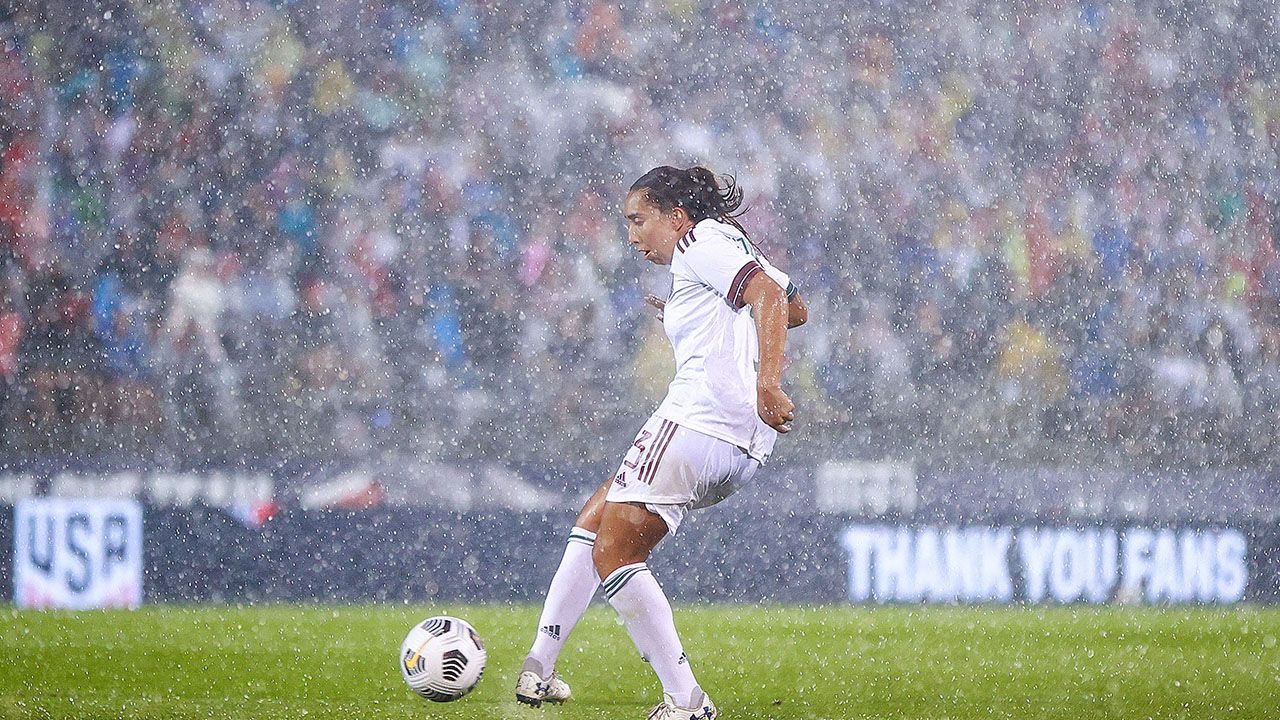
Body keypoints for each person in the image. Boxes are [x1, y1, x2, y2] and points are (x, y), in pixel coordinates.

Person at [515, 166, 808, 719]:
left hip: (700, 420)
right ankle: (540, 666)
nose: (631, 236)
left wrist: (768, 379)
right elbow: (797, 306)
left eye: (637, 220)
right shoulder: (724, 248)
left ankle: (686, 700)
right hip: (739, 441)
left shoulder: (701, 241)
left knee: (615, 551)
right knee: (598, 517)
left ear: (676, 217)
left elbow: (770, 295)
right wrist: (696, 309)